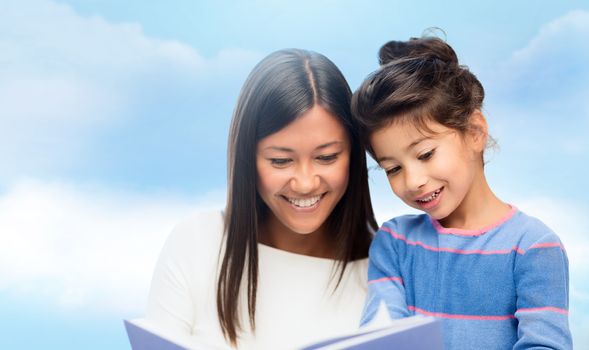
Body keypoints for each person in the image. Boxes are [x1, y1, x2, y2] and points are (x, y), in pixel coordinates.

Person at [144, 49, 378, 349]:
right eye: (281, 161)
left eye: (326, 157)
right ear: (248, 160)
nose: (305, 183)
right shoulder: (196, 243)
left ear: (354, 154)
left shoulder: (385, 269)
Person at [351, 36, 572, 349]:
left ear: (474, 132)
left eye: (425, 154)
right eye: (392, 168)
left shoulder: (533, 247)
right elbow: (384, 338)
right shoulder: (396, 243)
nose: (413, 181)